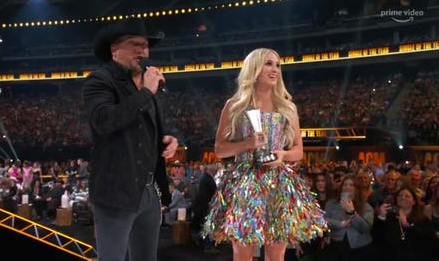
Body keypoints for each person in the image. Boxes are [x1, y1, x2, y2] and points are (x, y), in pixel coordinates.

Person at [202, 48, 327, 261]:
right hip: (244, 184)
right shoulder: (234, 106)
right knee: (242, 254)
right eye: (268, 64)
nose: (275, 70)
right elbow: (220, 149)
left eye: (277, 65)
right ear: (254, 68)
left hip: (278, 183)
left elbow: (298, 151)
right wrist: (248, 143)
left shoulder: (288, 107)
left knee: (276, 255)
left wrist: (282, 156)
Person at [82, 17, 178, 261]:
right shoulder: (100, 80)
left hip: (148, 191)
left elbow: (142, 132)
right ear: (115, 49)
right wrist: (146, 92)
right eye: (135, 44)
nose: (143, 51)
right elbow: (105, 122)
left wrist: (166, 141)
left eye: (145, 46)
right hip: (115, 193)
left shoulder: (147, 87)